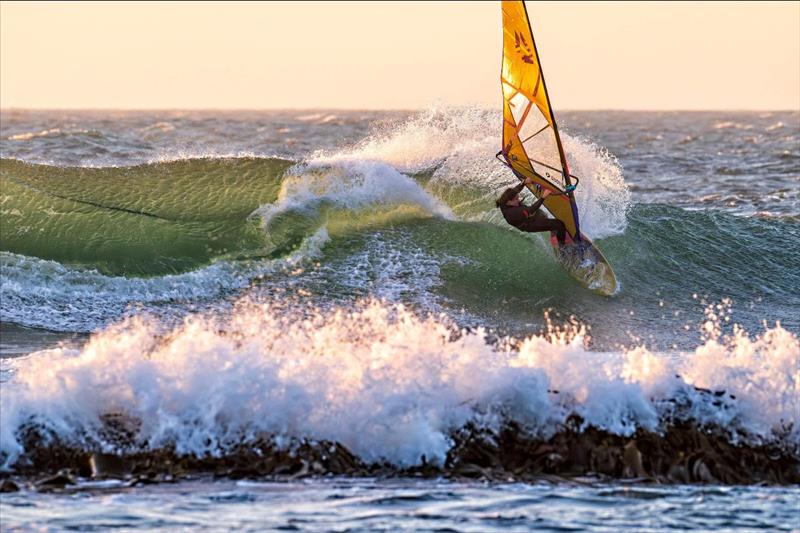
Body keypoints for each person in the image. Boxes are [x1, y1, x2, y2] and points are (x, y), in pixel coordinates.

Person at [496, 177, 567, 245]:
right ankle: (563, 248)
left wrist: (523, 183)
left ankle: (552, 229)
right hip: (529, 225)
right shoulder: (513, 213)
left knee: (542, 214)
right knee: (559, 224)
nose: (518, 200)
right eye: (516, 199)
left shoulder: (504, 200)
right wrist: (543, 197)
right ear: (509, 202)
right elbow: (531, 209)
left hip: (527, 216)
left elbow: (514, 191)